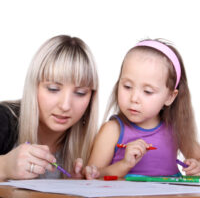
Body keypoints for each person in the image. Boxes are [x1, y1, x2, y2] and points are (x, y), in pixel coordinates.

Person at [85, 39, 200, 179]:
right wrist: (124, 164)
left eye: (147, 91)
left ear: (170, 96)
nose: (134, 98)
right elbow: (91, 176)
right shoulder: (112, 130)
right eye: (127, 87)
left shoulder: (176, 129)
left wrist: (195, 166)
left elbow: (198, 160)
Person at [0, 35, 99, 180]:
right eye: (53, 89)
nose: (65, 105)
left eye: (80, 93)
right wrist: (4, 167)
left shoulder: (94, 145)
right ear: (34, 87)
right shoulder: (4, 118)